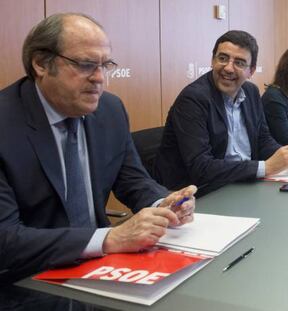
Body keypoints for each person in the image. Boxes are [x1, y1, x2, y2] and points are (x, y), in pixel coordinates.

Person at [0, 13, 197, 284]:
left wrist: (163, 203)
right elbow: (5, 240)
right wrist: (110, 238)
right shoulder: (5, 123)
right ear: (41, 63)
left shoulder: (110, 110)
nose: (100, 78)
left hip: (101, 270)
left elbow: (132, 180)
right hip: (27, 280)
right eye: (86, 64)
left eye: (106, 65)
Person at [154, 30, 288, 196]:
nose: (228, 68)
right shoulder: (193, 99)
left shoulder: (251, 92)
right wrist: (266, 167)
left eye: (240, 63)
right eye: (222, 58)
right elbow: (201, 168)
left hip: (242, 184)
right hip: (199, 194)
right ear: (212, 61)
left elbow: (263, 140)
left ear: (251, 71)